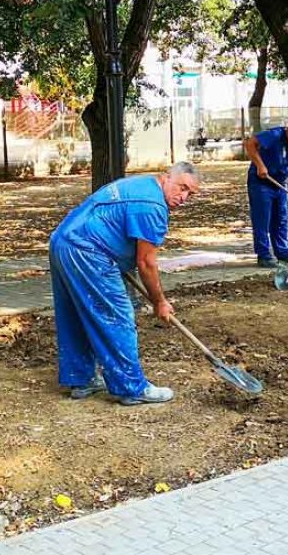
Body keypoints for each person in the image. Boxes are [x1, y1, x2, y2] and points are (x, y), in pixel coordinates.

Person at [49, 162, 200, 405]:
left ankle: (82, 379)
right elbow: (146, 263)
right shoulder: (152, 207)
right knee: (117, 316)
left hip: (63, 241)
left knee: (75, 314)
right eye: (182, 188)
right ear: (166, 177)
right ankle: (131, 387)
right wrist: (159, 302)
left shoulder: (142, 186)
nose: (183, 197)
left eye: (190, 194)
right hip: (88, 251)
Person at [244, 115, 288, 268]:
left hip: (280, 184)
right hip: (261, 182)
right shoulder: (274, 135)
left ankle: (283, 252)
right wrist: (260, 165)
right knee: (262, 219)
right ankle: (264, 255)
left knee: (281, 218)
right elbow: (250, 144)